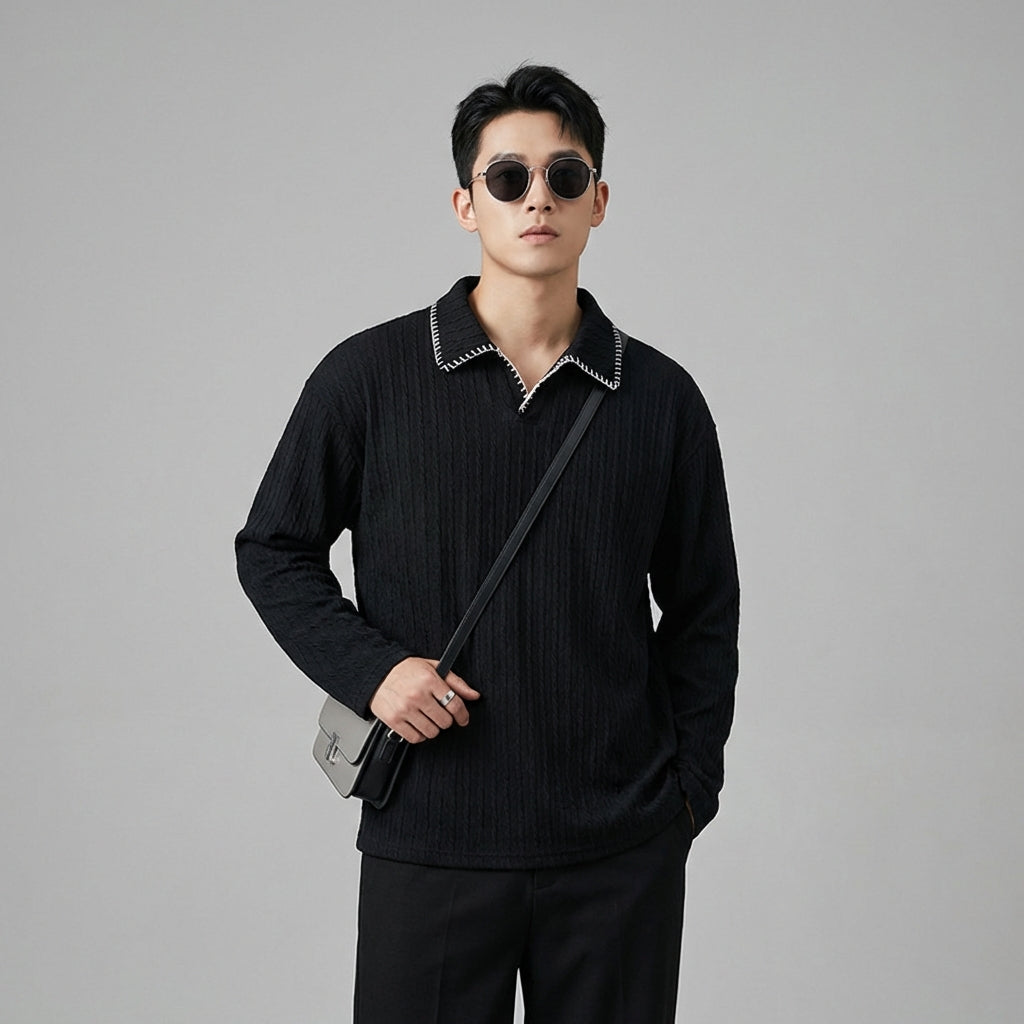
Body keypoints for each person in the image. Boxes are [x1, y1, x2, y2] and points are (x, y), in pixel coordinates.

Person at [235, 64, 739, 1024]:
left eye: (564, 175)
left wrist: (687, 795)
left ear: (599, 201)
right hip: (430, 835)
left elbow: (705, 607)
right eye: (508, 178)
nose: (537, 198)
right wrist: (374, 673)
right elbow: (272, 549)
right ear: (467, 204)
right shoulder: (368, 377)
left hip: (619, 848)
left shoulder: (662, 399)